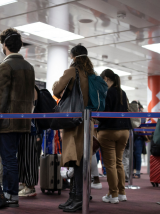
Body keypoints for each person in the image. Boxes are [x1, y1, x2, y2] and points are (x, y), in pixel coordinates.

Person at [0, 28, 35, 207]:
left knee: (8, 160)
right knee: (14, 158)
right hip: (24, 121)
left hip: (7, 121)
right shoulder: (29, 67)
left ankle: (10, 194)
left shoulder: (5, 65)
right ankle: (11, 193)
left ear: (4, 45)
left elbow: (1, 97)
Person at [53, 44, 93, 212]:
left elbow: (56, 90)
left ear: (73, 56)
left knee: (74, 160)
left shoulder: (72, 72)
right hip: (87, 121)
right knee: (82, 160)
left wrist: (57, 82)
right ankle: (76, 196)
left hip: (74, 122)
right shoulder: (91, 74)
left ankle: (77, 198)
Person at [97, 69, 131, 204]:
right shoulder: (122, 92)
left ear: (105, 78)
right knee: (119, 162)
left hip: (109, 131)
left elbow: (105, 113)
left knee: (110, 164)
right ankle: (122, 193)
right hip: (124, 131)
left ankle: (113, 195)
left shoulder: (107, 92)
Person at [18, 86, 40, 197]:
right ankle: (24, 182)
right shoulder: (23, 88)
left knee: (29, 158)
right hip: (23, 127)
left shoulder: (32, 89)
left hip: (31, 128)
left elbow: (31, 108)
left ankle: (30, 186)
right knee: (22, 157)